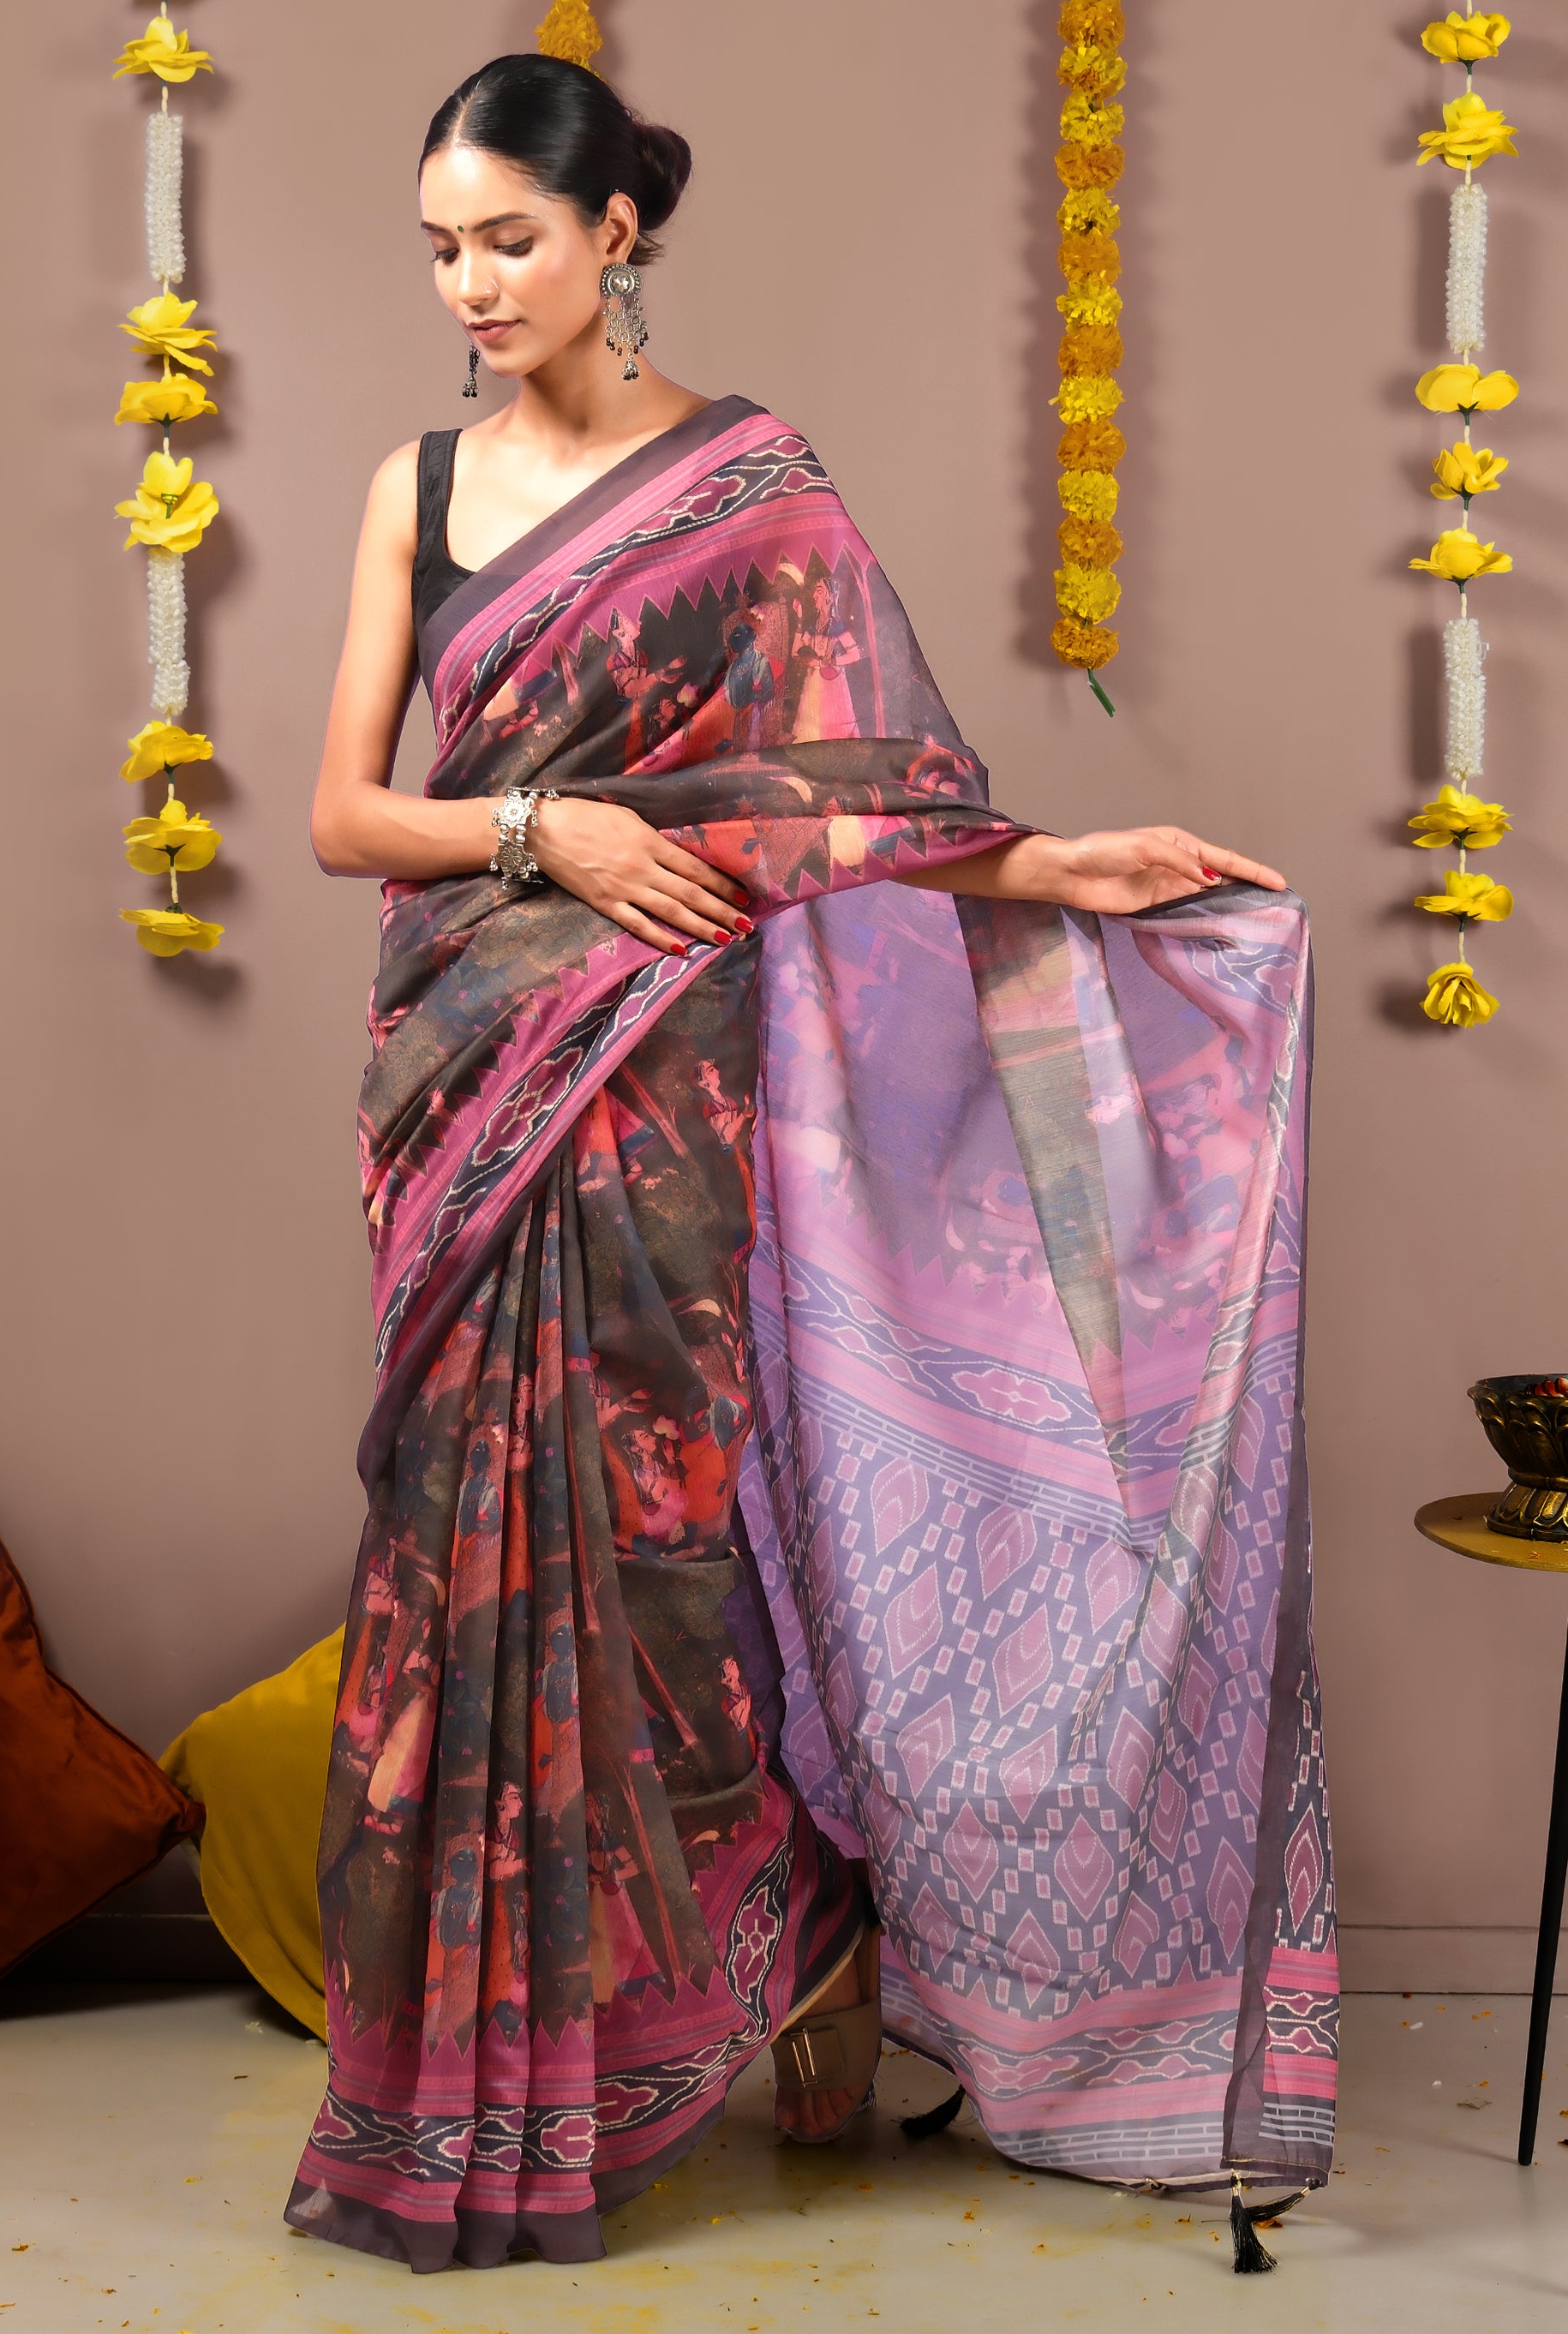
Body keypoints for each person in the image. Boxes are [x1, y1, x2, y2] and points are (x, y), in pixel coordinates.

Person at [289, 51, 1333, 2276]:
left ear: (613, 237)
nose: (471, 285)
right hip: (460, 1071)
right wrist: (542, 826)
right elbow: (340, 816)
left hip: (666, 1075)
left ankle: (794, 1951)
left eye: (510, 239)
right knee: (443, 1559)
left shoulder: (749, 487)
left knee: (659, 1558)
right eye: (442, 247)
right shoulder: (414, 486)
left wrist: (1047, 858)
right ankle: (452, 2089)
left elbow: (857, 784)